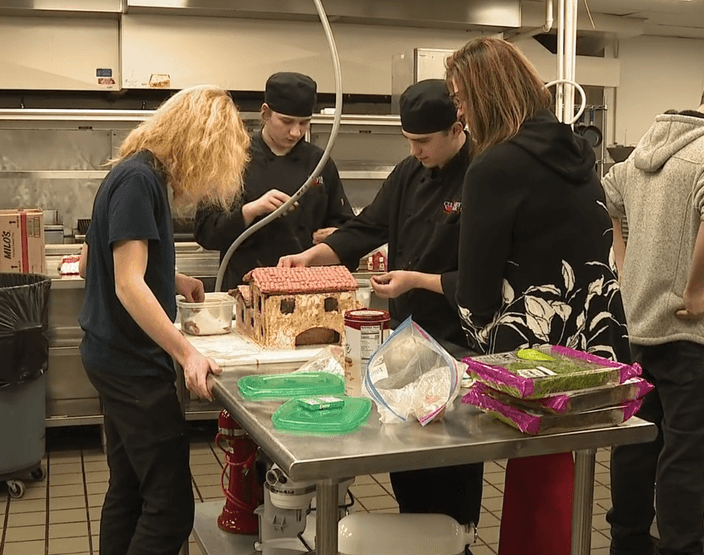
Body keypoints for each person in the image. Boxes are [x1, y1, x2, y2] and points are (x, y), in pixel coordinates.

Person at [446, 37, 630, 555]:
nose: (458, 111)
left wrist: (470, 336)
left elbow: (476, 291)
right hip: (593, 344)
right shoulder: (578, 151)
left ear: (486, 94)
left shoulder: (493, 167)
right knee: (556, 472)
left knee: (536, 477)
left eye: (461, 98)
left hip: (532, 357)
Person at [278, 79, 483, 533]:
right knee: (407, 461)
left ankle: (458, 540)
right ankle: (417, 536)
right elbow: (365, 227)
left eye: (424, 142)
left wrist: (415, 280)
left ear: (457, 127)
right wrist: (310, 260)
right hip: (405, 341)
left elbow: (481, 280)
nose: (416, 152)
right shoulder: (408, 174)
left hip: (457, 346)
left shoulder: (480, 174)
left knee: (451, 464)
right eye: (409, 141)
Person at [78, 85, 250, 555]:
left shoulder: (132, 175)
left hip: (110, 355)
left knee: (129, 489)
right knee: (171, 509)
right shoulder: (140, 181)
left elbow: (91, 255)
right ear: (199, 144)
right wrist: (187, 351)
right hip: (131, 363)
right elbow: (127, 284)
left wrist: (171, 278)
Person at [602, 67, 704, 555]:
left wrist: (628, 269)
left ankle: (627, 546)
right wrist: (695, 288)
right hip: (697, 339)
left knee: (637, 449)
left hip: (644, 329)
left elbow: (610, 196)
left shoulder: (640, 155)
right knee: (685, 463)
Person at [194, 71, 354, 288]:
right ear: (265, 113)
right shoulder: (232, 159)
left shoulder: (320, 162)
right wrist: (250, 211)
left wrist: (336, 236)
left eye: (304, 123)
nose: (296, 132)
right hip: (247, 290)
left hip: (305, 289)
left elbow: (347, 228)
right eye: (287, 122)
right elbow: (206, 233)